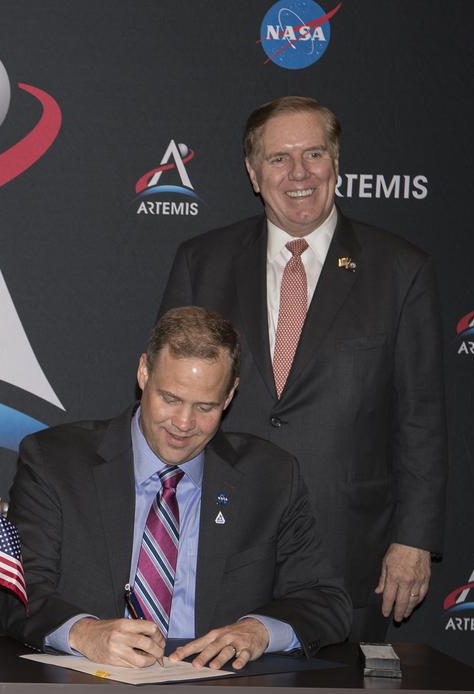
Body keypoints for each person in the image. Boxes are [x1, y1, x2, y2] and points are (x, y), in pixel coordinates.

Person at [157, 96, 447, 642]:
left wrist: (414, 540)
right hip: (219, 538)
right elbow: (166, 404)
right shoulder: (202, 263)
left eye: (314, 154)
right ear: (252, 172)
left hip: (347, 546)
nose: (298, 173)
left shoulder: (400, 270)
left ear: (336, 164)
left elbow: (420, 418)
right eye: (278, 158)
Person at [0, 307, 349, 669]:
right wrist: (85, 633)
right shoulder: (55, 462)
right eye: (171, 399)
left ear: (229, 396)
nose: (183, 423)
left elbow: (325, 600)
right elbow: (15, 594)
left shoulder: (270, 477)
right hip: (88, 693)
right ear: (144, 372)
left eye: (205, 407)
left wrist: (259, 631)